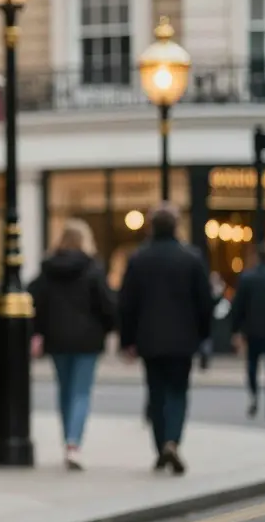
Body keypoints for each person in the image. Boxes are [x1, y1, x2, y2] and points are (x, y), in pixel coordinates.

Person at [118, 203, 214, 475]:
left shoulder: (138, 259)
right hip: (183, 338)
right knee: (178, 392)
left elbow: (127, 304)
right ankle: (173, 439)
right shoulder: (191, 258)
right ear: (176, 226)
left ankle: (161, 445)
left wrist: (127, 340)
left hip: (149, 338)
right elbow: (204, 302)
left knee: (156, 393)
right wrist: (204, 335)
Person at [29, 218, 115, 471]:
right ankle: (73, 443)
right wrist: (110, 329)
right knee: (81, 392)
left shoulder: (48, 269)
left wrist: (38, 332)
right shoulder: (93, 269)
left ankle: (68, 441)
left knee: (65, 391)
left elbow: (34, 301)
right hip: (87, 340)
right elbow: (107, 304)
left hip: (57, 339)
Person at [229, 243, 265, 419]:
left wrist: (235, 330)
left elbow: (238, 306)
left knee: (252, 367)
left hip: (252, 330)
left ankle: (254, 398)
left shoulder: (247, 279)